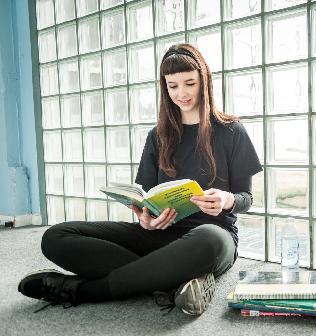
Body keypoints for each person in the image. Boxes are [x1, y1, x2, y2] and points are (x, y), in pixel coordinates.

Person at [18, 44, 262, 315]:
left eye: (189, 83)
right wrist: (146, 218)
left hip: (213, 238)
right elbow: (146, 200)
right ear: (164, 88)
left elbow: (246, 198)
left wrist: (227, 200)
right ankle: (170, 279)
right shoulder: (158, 136)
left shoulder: (231, 131)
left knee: (208, 239)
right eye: (173, 86)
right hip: (161, 236)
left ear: (204, 81)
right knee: (57, 236)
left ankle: (85, 290)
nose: (181, 94)